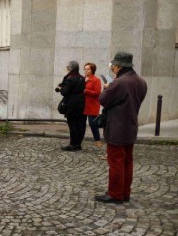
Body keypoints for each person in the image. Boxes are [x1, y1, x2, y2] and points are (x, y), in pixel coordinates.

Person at [95, 51, 147, 204]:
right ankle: (125, 192)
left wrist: (107, 87)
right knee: (127, 161)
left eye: (114, 66)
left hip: (117, 127)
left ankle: (115, 194)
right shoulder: (141, 81)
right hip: (130, 126)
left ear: (118, 66)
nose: (113, 69)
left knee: (116, 162)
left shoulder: (119, 82)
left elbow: (103, 100)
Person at [55, 60, 86, 151]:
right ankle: (78, 144)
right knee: (80, 125)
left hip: (72, 104)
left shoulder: (70, 79)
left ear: (70, 68)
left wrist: (60, 88)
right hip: (81, 103)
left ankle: (73, 145)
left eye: (67, 67)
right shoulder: (82, 78)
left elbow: (64, 92)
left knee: (72, 125)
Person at [83, 63, 103, 146]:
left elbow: (97, 93)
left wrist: (86, 91)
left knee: (93, 123)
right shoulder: (83, 79)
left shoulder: (96, 80)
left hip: (92, 105)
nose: (86, 71)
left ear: (92, 70)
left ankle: (97, 140)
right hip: (83, 104)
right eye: (85, 69)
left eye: (88, 69)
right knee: (82, 123)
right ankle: (80, 139)